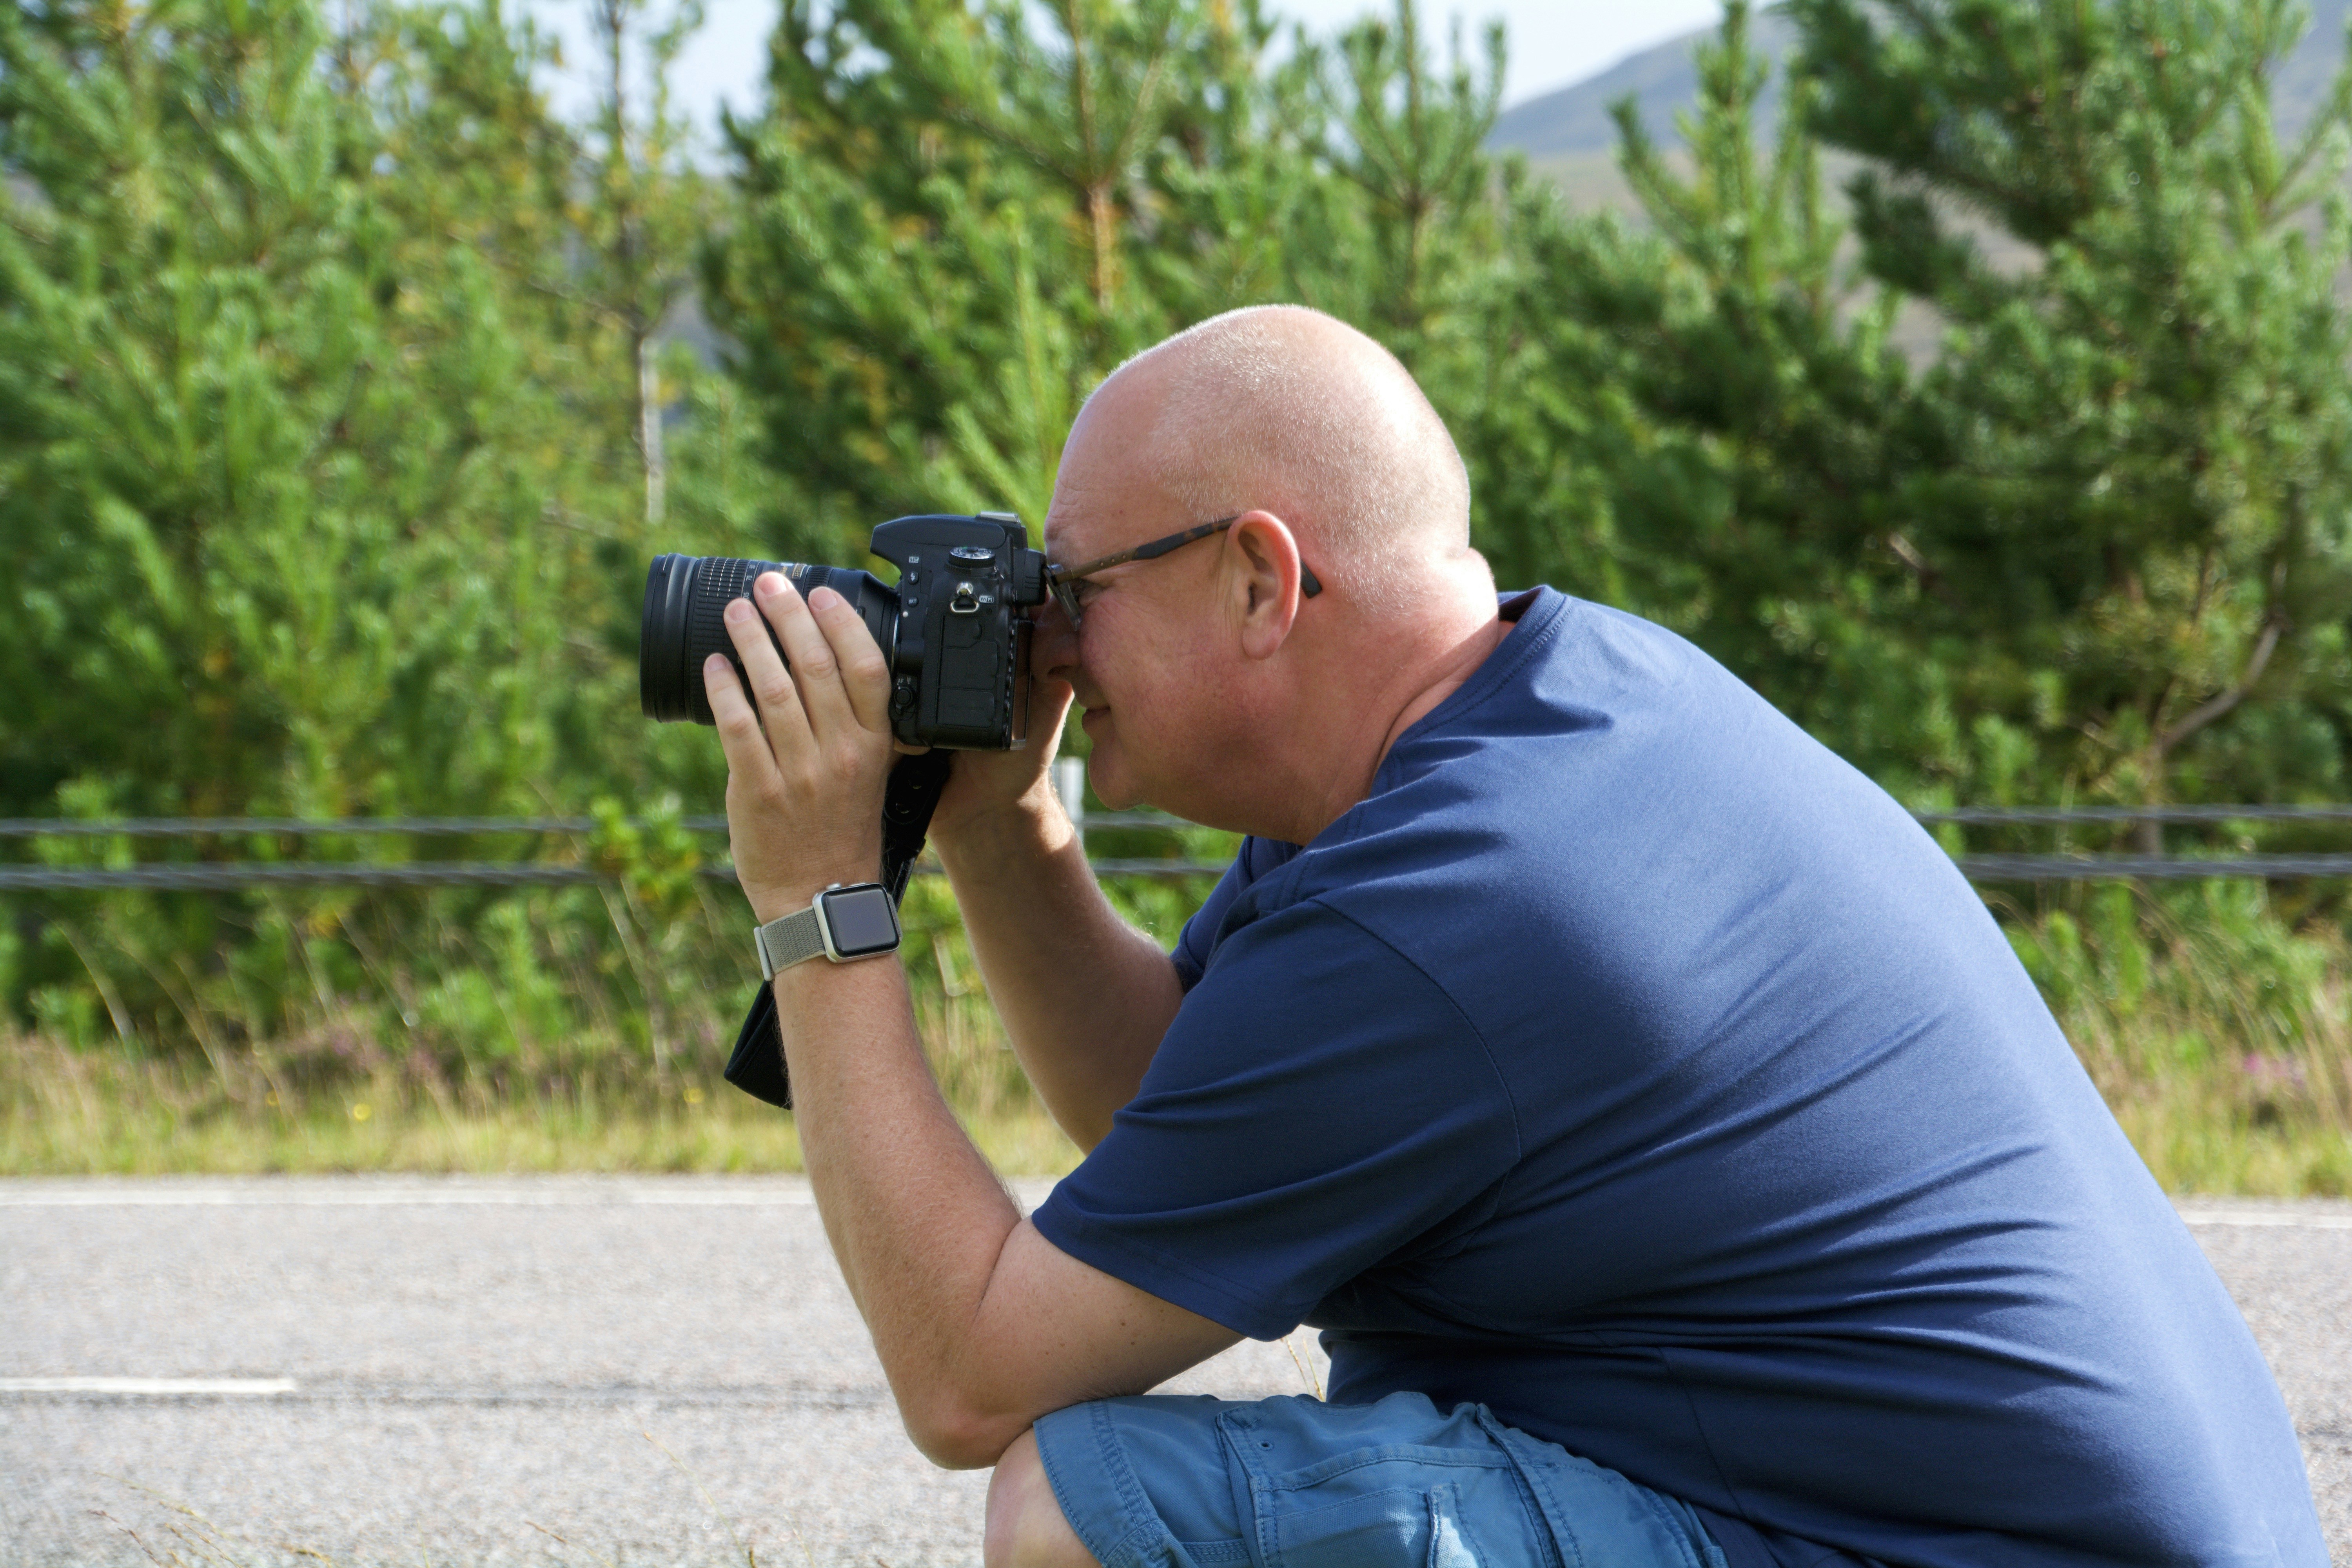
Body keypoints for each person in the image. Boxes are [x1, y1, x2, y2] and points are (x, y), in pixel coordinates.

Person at [700, 305, 2328, 1568]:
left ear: (1261, 582)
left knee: (1082, 1505)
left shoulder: (1458, 901)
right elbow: (1168, 1120)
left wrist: (818, 898)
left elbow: (971, 1376)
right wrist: (1004, 822)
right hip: (2013, 1529)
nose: (1051, 636)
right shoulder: (1536, 721)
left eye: (1081, 585)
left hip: (1948, 1552)